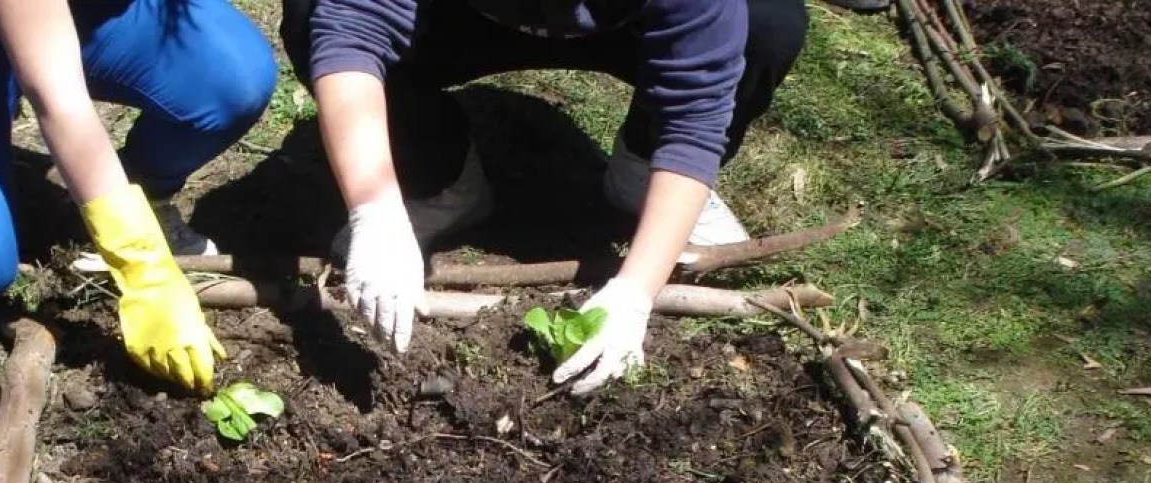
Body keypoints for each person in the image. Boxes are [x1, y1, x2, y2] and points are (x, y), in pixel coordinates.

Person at [280, 0, 808, 395]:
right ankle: (437, 179)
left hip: (627, 26)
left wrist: (636, 291)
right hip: (454, 17)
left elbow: (695, 117)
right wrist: (376, 209)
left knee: (766, 22)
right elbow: (351, 27)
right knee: (312, 11)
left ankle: (643, 172)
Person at [0, 0, 277, 394]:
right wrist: (141, 264)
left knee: (230, 78)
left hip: (71, 13)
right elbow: (58, 96)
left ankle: (132, 189)